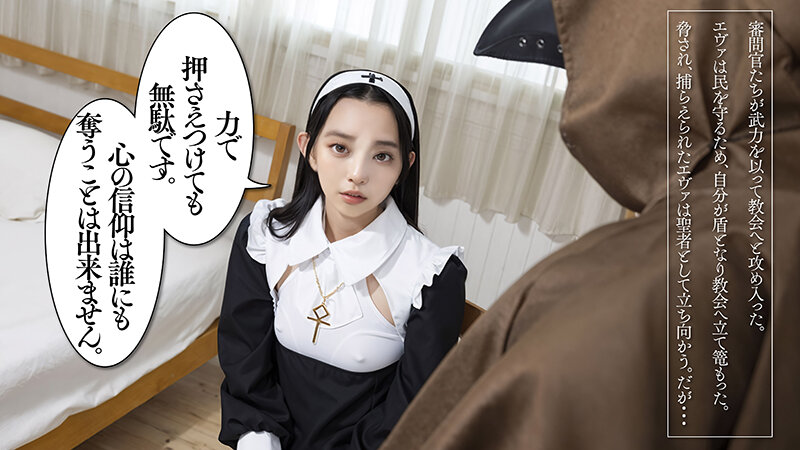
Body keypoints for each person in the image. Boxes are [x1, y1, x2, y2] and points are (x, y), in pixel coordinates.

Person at [217, 69, 467, 450]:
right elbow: (244, 361)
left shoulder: (430, 276)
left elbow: (412, 414)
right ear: (310, 150)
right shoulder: (265, 236)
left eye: (382, 155)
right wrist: (259, 441)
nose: (357, 174)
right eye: (340, 147)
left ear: (404, 166)